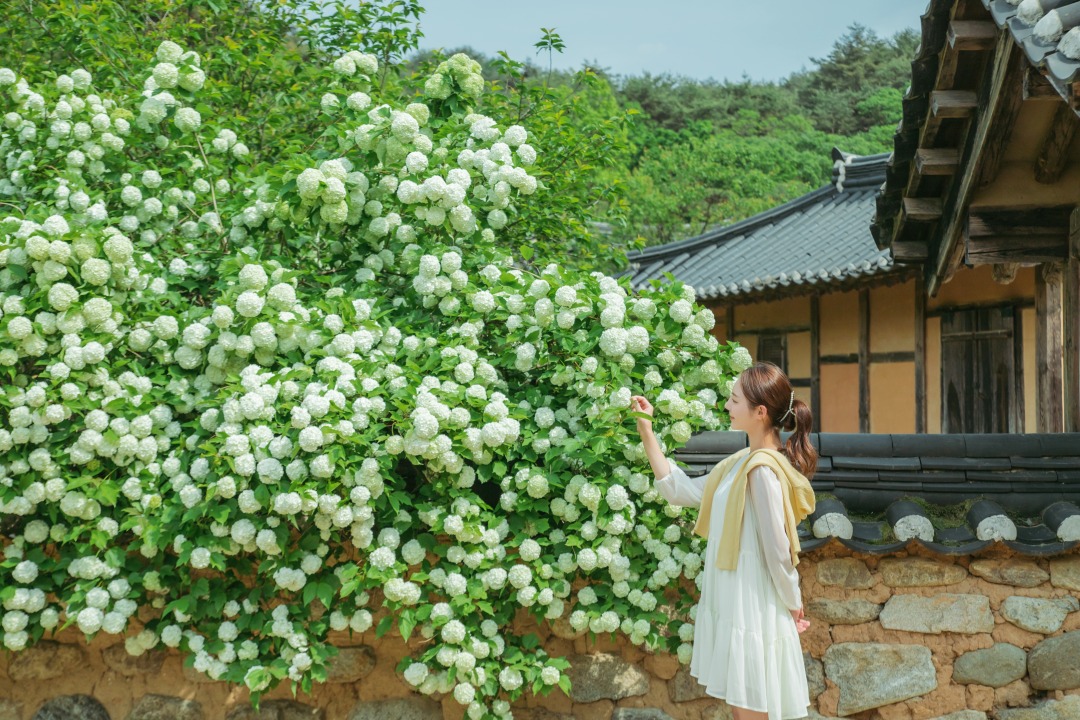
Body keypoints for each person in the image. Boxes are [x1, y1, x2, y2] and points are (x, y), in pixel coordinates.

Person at [631, 361, 818, 720]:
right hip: (738, 603)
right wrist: (646, 429)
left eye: (734, 400)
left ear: (760, 412)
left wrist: (794, 601)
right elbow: (678, 490)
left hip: (753, 606)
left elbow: (778, 550)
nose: (727, 407)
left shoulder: (762, 470)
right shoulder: (739, 463)